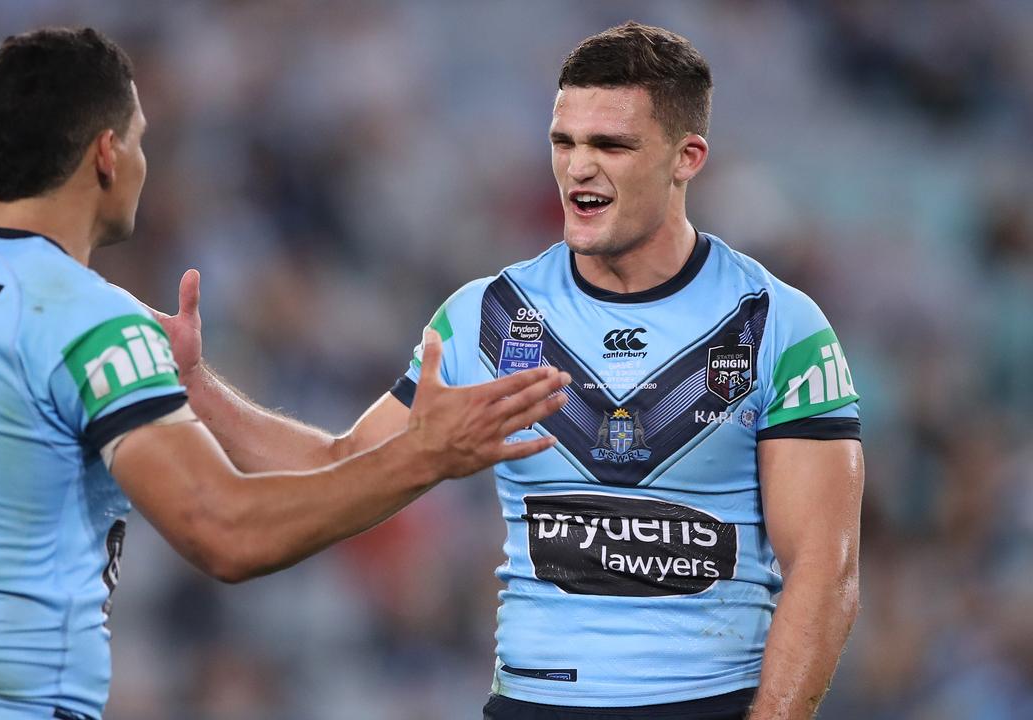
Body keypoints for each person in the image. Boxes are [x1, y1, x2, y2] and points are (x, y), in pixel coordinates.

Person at [0, 27, 572, 720]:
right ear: (106, 153)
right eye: (141, 139)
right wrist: (425, 455)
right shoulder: (84, 315)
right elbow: (224, 533)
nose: (144, 163)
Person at [156, 21, 864, 720]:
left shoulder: (779, 326)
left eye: (611, 144)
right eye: (565, 142)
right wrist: (194, 386)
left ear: (687, 158)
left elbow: (824, 569)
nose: (579, 166)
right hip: (535, 703)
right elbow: (342, 464)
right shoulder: (486, 317)